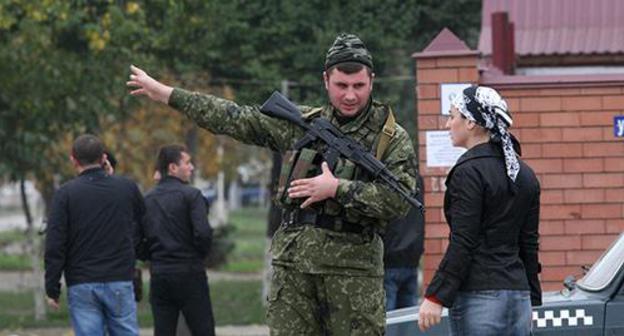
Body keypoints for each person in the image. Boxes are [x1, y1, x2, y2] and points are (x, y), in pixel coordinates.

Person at [127, 33, 418, 335]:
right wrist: (168, 94)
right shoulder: (303, 123)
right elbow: (235, 118)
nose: (350, 95)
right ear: (325, 80)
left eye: (359, 86)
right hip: (293, 271)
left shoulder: (391, 139)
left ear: (372, 80)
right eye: (341, 85)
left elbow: (399, 200)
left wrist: (337, 189)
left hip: (353, 275)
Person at [418, 86, 542, 335]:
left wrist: (436, 296)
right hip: (518, 298)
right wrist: (532, 296)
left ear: (471, 122)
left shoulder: (468, 172)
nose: (447, 125)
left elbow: (463, 241)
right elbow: (528, 243)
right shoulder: (525, 174)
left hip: (480, 297)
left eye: (452, 116)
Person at [44, 134, 145, 336]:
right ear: (103, 158)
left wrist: (52, 287)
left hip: (82, 282)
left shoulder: (65, 194)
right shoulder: (126, 188)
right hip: (119, 278)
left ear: (73, 159)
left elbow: (55, 243)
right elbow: (141, 224)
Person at [139, 144, 215, 336]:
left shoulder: (147, 200)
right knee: (203, 329)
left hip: (160, 274)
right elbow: (203, 233)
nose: (192, 167)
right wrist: (198, 255)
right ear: (172, 167)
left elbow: (136, 240)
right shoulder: (192, 196)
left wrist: (151, 256)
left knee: (163, 330)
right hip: (190, 273)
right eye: (187, 163)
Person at [383, 173, 424, 311]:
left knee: (387, 323)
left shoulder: (383, 177)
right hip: (411, 257)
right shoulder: (416, 179)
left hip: (388, 260)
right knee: (408, 321)